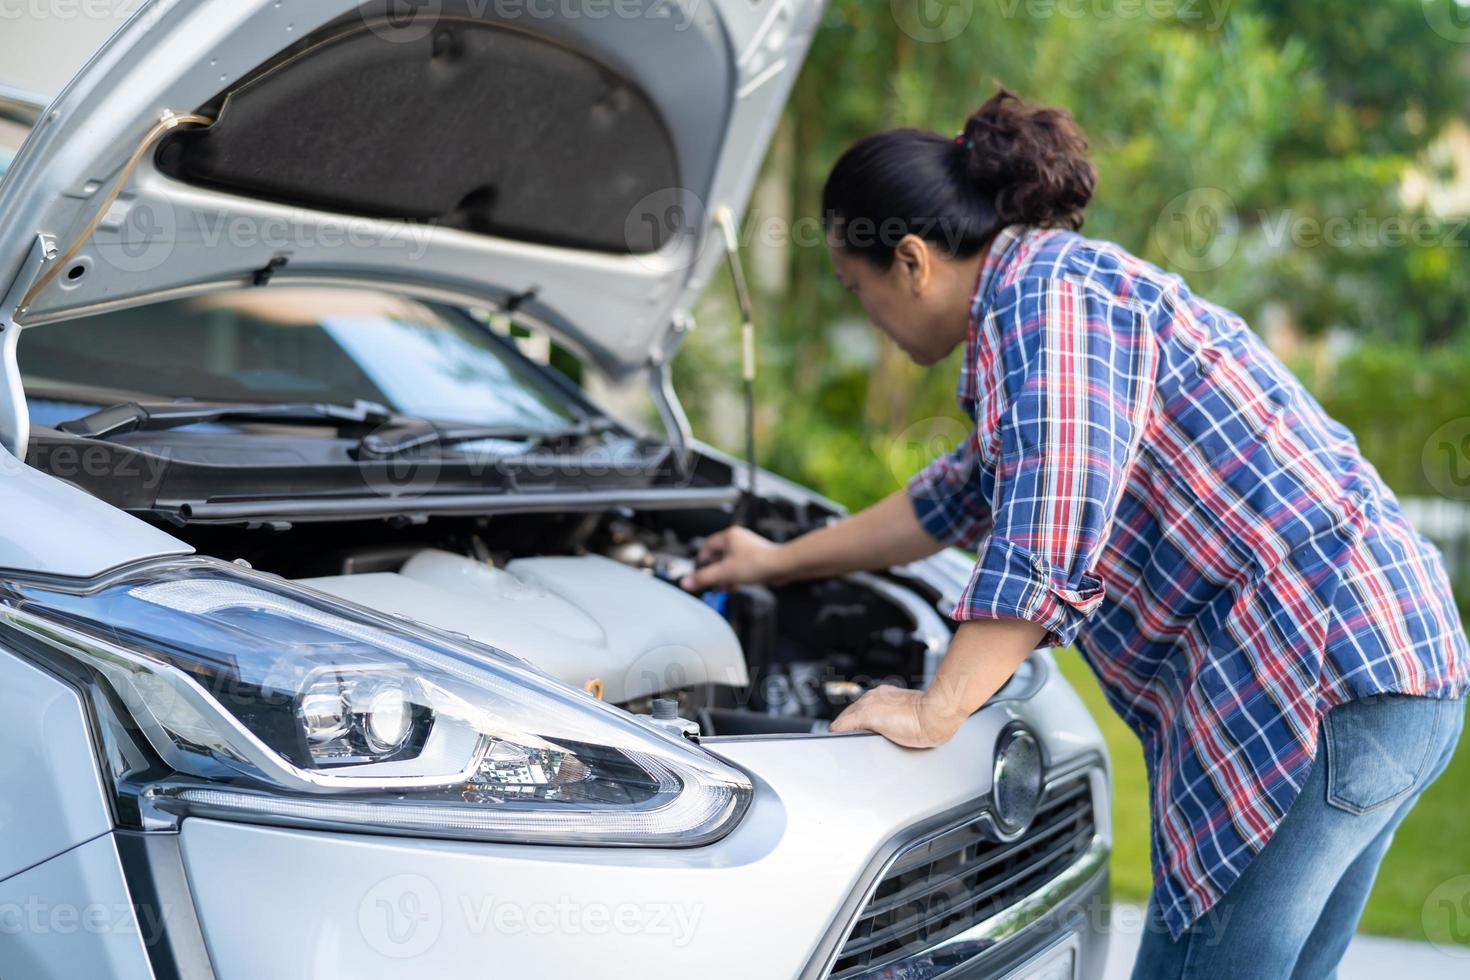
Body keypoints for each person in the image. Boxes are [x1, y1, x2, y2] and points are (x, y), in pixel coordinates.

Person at [679, 87, 1469, 978]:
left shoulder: (1041, 304)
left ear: (910, 261)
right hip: (1391, 671)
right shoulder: (1056, 295)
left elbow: (1051, 514)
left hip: (1310, 685)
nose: (871, 321)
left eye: (858, 293)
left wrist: (940, 708)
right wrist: (775, 558)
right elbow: (946, 504)